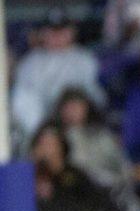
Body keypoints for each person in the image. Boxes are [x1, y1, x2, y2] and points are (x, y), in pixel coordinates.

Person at [10, 14, 105, 147]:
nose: (57, 36)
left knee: (77, 101)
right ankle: (42, 140)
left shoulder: (85, 59)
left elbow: (93, 96)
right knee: (22, 97)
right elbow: (23, 102)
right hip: (42, 123)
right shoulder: (29, 62)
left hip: (75, 122)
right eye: (52, 31)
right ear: (42, 34)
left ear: (72, 32)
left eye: (62, 31)